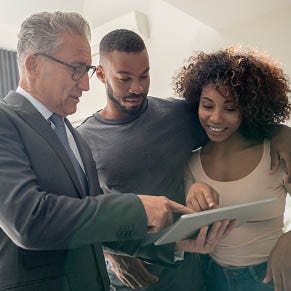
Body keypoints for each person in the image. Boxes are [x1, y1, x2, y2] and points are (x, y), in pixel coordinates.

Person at [0, 12, 213, 291]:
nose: (86, 85)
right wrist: (137, 208)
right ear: (33, 65)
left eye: (87, 71)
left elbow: (92, 227)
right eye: (76, 69)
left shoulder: (74, 138)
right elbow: (29, 220)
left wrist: (171, 244)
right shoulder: (5, 120)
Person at [77, 30, 291, 290]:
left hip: (192, 270)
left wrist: (282, 132)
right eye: (124, 79)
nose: (137, 87)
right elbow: (84, 212)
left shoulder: (178, 114)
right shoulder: (82, 140)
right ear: (100, 74)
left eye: (144, 76)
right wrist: (114, 253)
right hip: (132, 276)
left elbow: (238, 115)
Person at [174, 46, 291, 290]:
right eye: (207, 106)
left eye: (230, 108)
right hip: (211, 276)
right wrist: (194, 193)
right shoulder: (191, 162)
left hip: (270, 274)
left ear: (248, 110)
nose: (216, 118)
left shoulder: (275, 152)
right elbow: (189, 229)